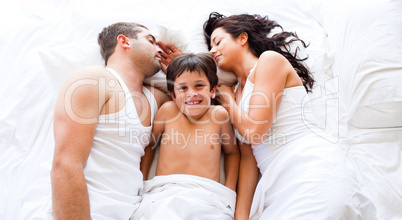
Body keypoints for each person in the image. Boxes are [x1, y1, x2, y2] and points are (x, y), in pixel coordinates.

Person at [200, 12, 377, 220]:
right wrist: (240, 217)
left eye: (217, 42)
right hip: (276, 185)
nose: (212, 51)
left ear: (242, 38)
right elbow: (249, 158)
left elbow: (255, 132)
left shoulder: (269, 62)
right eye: (210, 47)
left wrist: (228, 101)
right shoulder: (235, 92)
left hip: (310, 166)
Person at [51, 22, 170, 219]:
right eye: (151, 41)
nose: (159, 49)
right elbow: (66, 164)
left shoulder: (157, 98)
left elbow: (205, 99)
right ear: (124, 41)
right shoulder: (94, 79)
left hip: (134, 211)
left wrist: (182, 62)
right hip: (89, 210)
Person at [132, 53, 240, 220]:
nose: (191, 94)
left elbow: (233, 153)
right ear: (173, 95)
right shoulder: (168, 111)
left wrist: (230, 190)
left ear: (212, 91)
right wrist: (142, 183)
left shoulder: (218, 115)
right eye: (183, 88)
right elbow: (149, 146)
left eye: (199, 86)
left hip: (208, 195)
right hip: (165, 192)